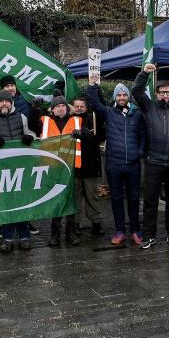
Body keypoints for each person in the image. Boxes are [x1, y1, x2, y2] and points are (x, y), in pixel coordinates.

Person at [131, 64, 169, 249]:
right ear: (156, 94)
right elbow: (136, 91)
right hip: (153, 161)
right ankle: (149, 236)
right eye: (162, 92)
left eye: (168, 92)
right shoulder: (149, 107)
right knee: (150, 201)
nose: (165, 95)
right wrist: (145, 73)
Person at [0, 74, 42, 239]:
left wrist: (30, 137)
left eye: (7, 101)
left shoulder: (21, 117)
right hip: (0, 168)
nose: (4, 103)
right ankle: (7, 235)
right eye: (1, 101)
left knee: (21, 200)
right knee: (6, 202)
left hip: (19, 166)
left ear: (11, 103)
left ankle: (24, 235)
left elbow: (29, 131)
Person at [87, 81, 146, 246]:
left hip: (133, 164)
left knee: (134, 198)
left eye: (124, 95)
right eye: (119, 95)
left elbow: (143, 135)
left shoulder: (137, 114)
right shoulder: (109, 112)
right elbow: (94, 103)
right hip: (114, 164)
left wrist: (140, 152)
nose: (121, 97)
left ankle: (135, 230)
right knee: (117, 198)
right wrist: (93, 86)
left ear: (128, 97)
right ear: (115, 97)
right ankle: (120, 231)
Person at [41, 95, 82, 246]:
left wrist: (82, 134)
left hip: (71, 168)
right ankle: (55, 235)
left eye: (63, 105)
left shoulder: (76, 121)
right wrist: (34, 108)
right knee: (56, 202)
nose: (60, 108)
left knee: (70, 202)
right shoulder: (45, 121)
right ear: (52, 109)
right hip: (53, 168)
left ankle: (70, 234)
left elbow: (91, 135)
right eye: (57, 106)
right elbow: (30, 124)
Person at [70, 95, 105, 236]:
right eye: (76, 106)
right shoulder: (69, 120)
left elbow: (101, 136)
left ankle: (96, 223)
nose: (79, 108)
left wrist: (89, 136)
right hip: (74, 165)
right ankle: (76, 224)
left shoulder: (93, 118)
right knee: (76, 197)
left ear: (86, 107)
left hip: (90, 165)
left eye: (81, 106)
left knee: (92, 196)